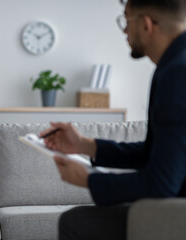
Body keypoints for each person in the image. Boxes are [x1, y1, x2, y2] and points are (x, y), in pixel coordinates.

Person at [41, 0, 186, 239]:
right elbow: (157, 154)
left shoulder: (176, 74)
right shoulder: (174, 65)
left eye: (126, 20)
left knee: (76, 222)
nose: (125, 31)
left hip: (178, 208)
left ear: (146, 24)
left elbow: (162, 183)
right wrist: (86, 145)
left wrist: (90, 179)